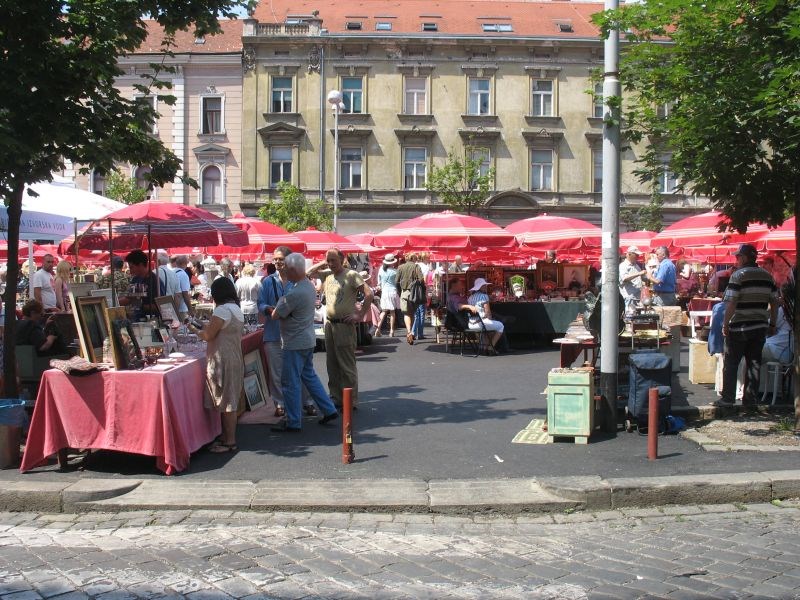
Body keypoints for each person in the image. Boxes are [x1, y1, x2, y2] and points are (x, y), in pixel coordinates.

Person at [270, 253, 339, 432]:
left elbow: (276, 314)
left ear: (293, 270)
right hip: (307, 339)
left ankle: (293, 421)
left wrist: (279, 302)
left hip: (294, 342)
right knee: (309, 376)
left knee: (290, 382)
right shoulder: (308, 285)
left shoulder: (295, 292)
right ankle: (329, 409)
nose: (284, 271)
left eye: (286, 268)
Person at [716, 244, 778, 407]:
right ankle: (750, 401)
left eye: (738, 257)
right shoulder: (768, 276)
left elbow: (732, 303)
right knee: (754, 364)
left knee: (731, 363)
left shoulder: (738, 276)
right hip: (759, 326)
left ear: (744, 258)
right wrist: (772, 323)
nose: (736, 260)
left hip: (739, 326)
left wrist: (725, 324)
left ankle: (728, 399)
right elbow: (775, 302)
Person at [311, 248, 373, 410]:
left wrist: (359, 315)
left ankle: (350, 401)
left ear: (342, 260)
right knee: (332, 364)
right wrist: (323, 262)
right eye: (328, 260)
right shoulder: (328, 275)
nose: (330, 263)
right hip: (330, 324)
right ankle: (337, 398)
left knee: (346, 365)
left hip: (344, 326)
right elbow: (307, 273)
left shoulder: (351, 275)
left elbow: (369, 294)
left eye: (333, 260)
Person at [258, 246, 316, 417]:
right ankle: (280, 403)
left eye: (281, 259)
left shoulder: (298, 281)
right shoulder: (267, 281)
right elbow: (260, 303)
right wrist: (268, 309)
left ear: (289, 261)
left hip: (294, 335)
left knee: (302, 371)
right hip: (273, 333)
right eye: (275, 259)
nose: (277, 262)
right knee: (276, 372)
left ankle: (307, 402)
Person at [189, 277, 243, 453]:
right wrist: (202, 325)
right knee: (230, 400)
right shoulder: (235, 308)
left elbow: (208, 336)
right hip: (234, 357)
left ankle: (230, 442)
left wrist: (193, 329)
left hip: (222, 359)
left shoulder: (222, 310)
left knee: (227, 402)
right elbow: (216, 328)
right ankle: (227, 437)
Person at [466, 278, 504, 354]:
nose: (485, 287)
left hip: (471, 324)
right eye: (484, 285)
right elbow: (488, 312)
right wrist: (491, 319)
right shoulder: (484, 296)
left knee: (489, 327)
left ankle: (483, 347)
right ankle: (490, 347)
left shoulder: (470, 298)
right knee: (501, 326)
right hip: (481, 323)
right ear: (480, 287)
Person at [396, 252, 424, 345]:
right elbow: (421, 279)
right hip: (414, 293)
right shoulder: (416, 267)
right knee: (412, 313)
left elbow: (396, 281)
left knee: (406, 313)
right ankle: (411, 332)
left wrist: (400, 292)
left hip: (404, 292)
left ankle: (409, 332)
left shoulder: (400, 267)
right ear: (414, 259)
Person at [122, 249, 158, 321]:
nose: (130, 271)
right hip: (136, 320)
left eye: (132, 267)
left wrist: (140, 305)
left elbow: (159, 306)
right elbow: (129, 299)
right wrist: (112, 303)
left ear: (141, 265)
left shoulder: (154, 281)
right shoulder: (135, 279)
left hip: (150, 322)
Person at [375, 253, 400, 337]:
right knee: (392, 312)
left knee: (384, 311)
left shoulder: (381, 270)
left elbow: (379, 282)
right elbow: (397, 283)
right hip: (392, 291)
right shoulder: (395, 271)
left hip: (384, 292)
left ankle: (378, 329)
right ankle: (391, 331)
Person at [171, 255, 194, 322]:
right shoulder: (183, 275)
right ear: (185, 263)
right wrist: (190, 309)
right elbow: (185, 294)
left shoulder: (172, 272)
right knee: (183, 326)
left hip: (172, 306)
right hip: (181, 308)